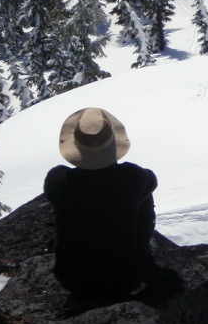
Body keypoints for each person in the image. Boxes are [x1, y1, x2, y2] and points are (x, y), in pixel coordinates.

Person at [44, 107, 158, 306]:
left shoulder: (60, 181)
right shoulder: (134, 178)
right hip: (125, 279)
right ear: (113, 144)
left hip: (73, 279)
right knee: (142, 206)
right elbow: (150, 183)